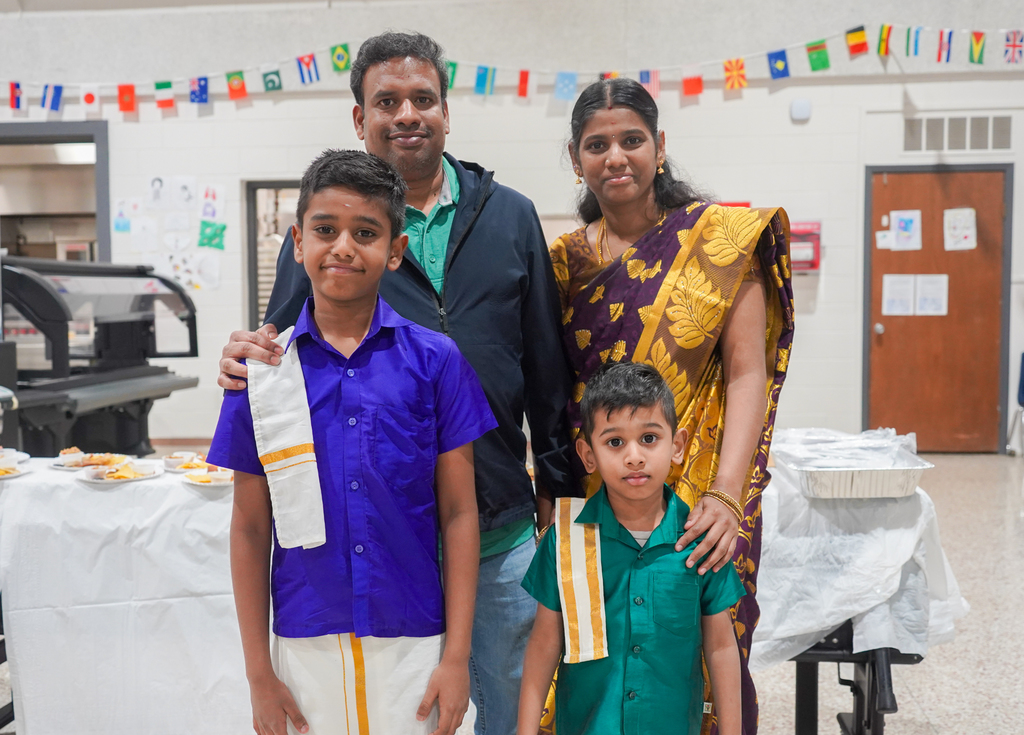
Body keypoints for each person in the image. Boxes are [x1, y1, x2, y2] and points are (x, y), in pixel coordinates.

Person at [217, 32, 575, 735]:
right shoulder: (336, 227)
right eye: (387, 101)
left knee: (504, 704)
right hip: (373, 535)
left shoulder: (510, 216)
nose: (406, 113)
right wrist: (239, 354)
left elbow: (546, 364)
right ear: (360, 118)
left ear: (447, 111)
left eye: (422, 99)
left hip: (492, 517)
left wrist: (554, 487)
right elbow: (279, 347)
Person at [209, 149, 497, 735]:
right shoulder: (263, 371)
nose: (343, 246)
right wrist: (258, 673)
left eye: (365, 232)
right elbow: (248, 526)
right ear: (297, 242)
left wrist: (456, 657)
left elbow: (460, 511)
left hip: (413, 636)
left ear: (395, 251)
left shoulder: (436, 362)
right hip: (304, 637)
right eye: (325, 229)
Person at [548, 77, 794, 734]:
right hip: (599, 495)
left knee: (702, 653)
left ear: (659, 146)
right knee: (598, 663)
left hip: (697, 493)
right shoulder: (563, 264)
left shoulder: (722, 241)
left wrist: (726, 495)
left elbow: (748, 373)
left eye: (632, 139)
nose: (616, 156)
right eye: (597, 144)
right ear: (576, 158)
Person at [518, 361, 745, 735]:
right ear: (588, 455)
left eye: (650, 438)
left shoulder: (701, 539)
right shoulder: (566, 540)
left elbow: (720, 646)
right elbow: (544, 643)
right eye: (615, 442)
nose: (634, 456)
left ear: (678, 446)